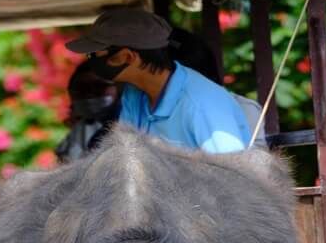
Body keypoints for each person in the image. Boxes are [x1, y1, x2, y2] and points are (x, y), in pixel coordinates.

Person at [65, 8, 253, 153]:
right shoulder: (134, 95)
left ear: (127, 56)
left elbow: (231, 181)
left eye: (94, 53)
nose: (90, 60)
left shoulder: (201, 104)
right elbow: (126, 154)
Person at [55, 61, 120, 163]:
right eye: (81, 89)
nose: (90, 94)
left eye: (99, 87)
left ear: (120, 88)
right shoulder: (81, 128)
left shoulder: (129, 124)